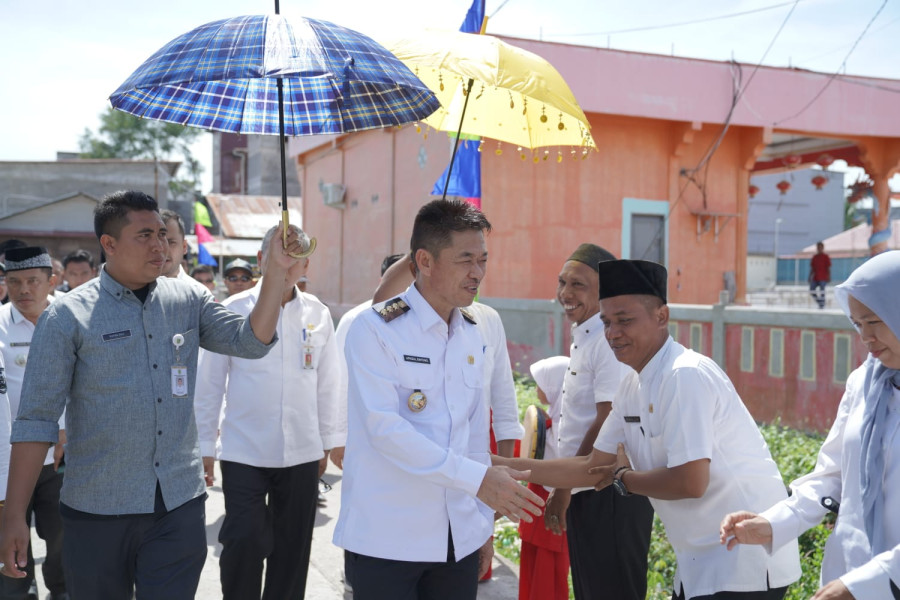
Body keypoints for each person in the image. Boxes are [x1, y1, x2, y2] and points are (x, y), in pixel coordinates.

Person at [0, 190, 307, 600]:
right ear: (108, 244)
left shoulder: (189, 300)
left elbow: (250, 341)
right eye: (144, 235)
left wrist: (278, 274)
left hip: (177, 505)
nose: (160, 245)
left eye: (163, 234)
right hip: (97, 509)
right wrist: (14, 516)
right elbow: (36, 419)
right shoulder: (67, 316)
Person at [500, 259, 802, 599]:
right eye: (607, 322)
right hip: (699, 563)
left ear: (662, 317)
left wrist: (623, 478)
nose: (613, 333)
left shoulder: (684, 375)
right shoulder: (632, 384)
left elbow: (690, 481)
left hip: (744, 560)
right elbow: (590, 467)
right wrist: (498, 467)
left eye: (625, 321)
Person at [333, 199, 543, 600]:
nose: (477, 273)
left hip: (455, 540)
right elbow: (385, 430)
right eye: (465, 260)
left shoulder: (472, 331)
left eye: (483, 259)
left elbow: (473, 437)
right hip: (387, 539)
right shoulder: (375, 329)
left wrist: (481, 528)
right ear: (425, 261)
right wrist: (478, 481)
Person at [721, 250, 900, 600]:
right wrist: (772, 523)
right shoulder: (864, 382)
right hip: (844, 574)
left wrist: (867, 584)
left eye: (874, 321)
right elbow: (832, 475)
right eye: (858, 324)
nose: (865, 337)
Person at [195, 223, 342, 600]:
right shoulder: (231, 311)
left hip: (303, 451)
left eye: (297, 259)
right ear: (263, 260)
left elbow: (329, 382)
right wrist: (204, 447)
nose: (290, 266)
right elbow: (210, 384)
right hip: (244, 449)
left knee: (293, 547)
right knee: (243, 538)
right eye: (282, 257)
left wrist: (330, 441)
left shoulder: (318, 313)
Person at [547, 243, 654, 600]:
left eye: (578, 284)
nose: (566, 293)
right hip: (586, 485)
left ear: (602, 289)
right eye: (562, 282)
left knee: (611, 590)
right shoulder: (586, 336)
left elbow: (607, 417)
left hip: (608, 490)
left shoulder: (608, 339)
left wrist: (564, 486)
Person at [0, 247, 69, 600]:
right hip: (11, 462)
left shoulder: (72, 318)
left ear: (51, 281)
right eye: (14, 282)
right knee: (11, 549)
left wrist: (66, 430)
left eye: (32, 281)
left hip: (61, 458)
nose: (23, 290)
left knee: (62, 543)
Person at [518, 356, 570, 600]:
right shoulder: (551, 416)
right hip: (536, 498)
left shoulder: (566, 426)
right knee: (532, 563)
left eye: (541, 384)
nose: (537, 390)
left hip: (551, 502)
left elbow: (559, 465)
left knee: (548, 572)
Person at [159, 210, 211, 296]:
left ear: (184, 247)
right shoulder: (131, 290)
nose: (162, 249)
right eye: (158, 242)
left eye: (170, 242)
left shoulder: (199, 295)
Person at [809, 241, 831, 309]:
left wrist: (829, 276)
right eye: (818, 247)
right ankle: (820, 302)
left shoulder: (825, 257)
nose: (819, 248)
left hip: (823, 277)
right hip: (816, 277)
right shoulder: (815, 257)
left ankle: (822, 305)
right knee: (812, 290)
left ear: (823, 248)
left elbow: (828, 267)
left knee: (822, 291)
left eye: (820, 247)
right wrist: (809, 276)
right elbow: (812, 268)